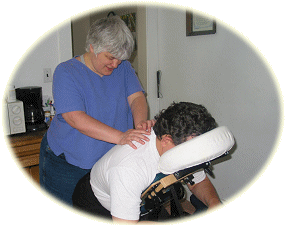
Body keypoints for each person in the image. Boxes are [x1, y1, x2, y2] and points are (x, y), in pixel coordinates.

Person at [39, 15, 154, 206]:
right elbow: (76, 118)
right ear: (93, 46)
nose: (116, 64)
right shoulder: (67, 72)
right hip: (67, 163)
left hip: (106, 160)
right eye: (110, 57)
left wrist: (140, 125)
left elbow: (136, 97)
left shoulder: (123, 68)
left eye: (120, 59)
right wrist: (121, 137)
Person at [72, 102, 222, 223]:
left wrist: (214, 202)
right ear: (166, 140)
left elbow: (198, 181)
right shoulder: (129, 168)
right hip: (97, 207)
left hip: (142, 198)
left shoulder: (183, 145)